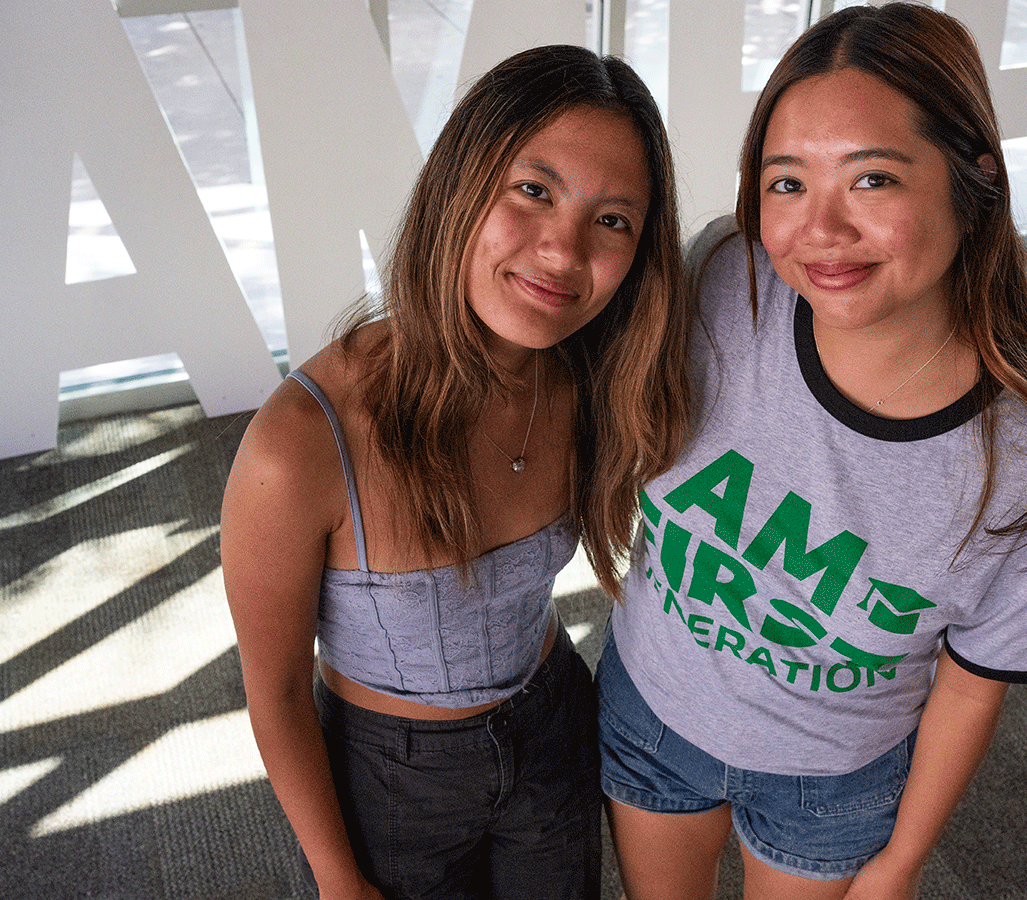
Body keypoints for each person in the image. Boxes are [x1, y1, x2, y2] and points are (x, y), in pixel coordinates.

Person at [597, 5, 1027, 899]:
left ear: (973, 179)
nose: (818, 230)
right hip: (653, 707)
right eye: (787, 183)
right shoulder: (728, 275)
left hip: (830, 778)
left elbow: (971, 685)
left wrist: (900, 863)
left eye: (871, 180)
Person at [221, 44, 692, 900]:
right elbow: (278, 690)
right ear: (461, 183)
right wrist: (336, 878)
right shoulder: (298, 444)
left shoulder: (592, 378)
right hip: (387, 782)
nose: (563, 250)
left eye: (613, 220)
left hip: (552, 725)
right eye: (534, 190)